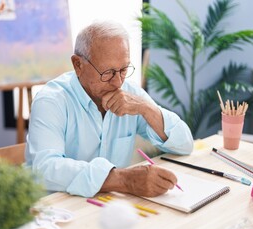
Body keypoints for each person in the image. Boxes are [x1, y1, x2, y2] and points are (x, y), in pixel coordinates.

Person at [25, 20, 193, 198]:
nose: (118, 82)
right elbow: (45, 168)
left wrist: (146, 108)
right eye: (108, 73)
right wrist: (124, 180)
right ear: (78, 65)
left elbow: (185, 144)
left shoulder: (129, 92)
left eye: (123, 70)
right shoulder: (51, 101)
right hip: (58, 209)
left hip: (108, 205)